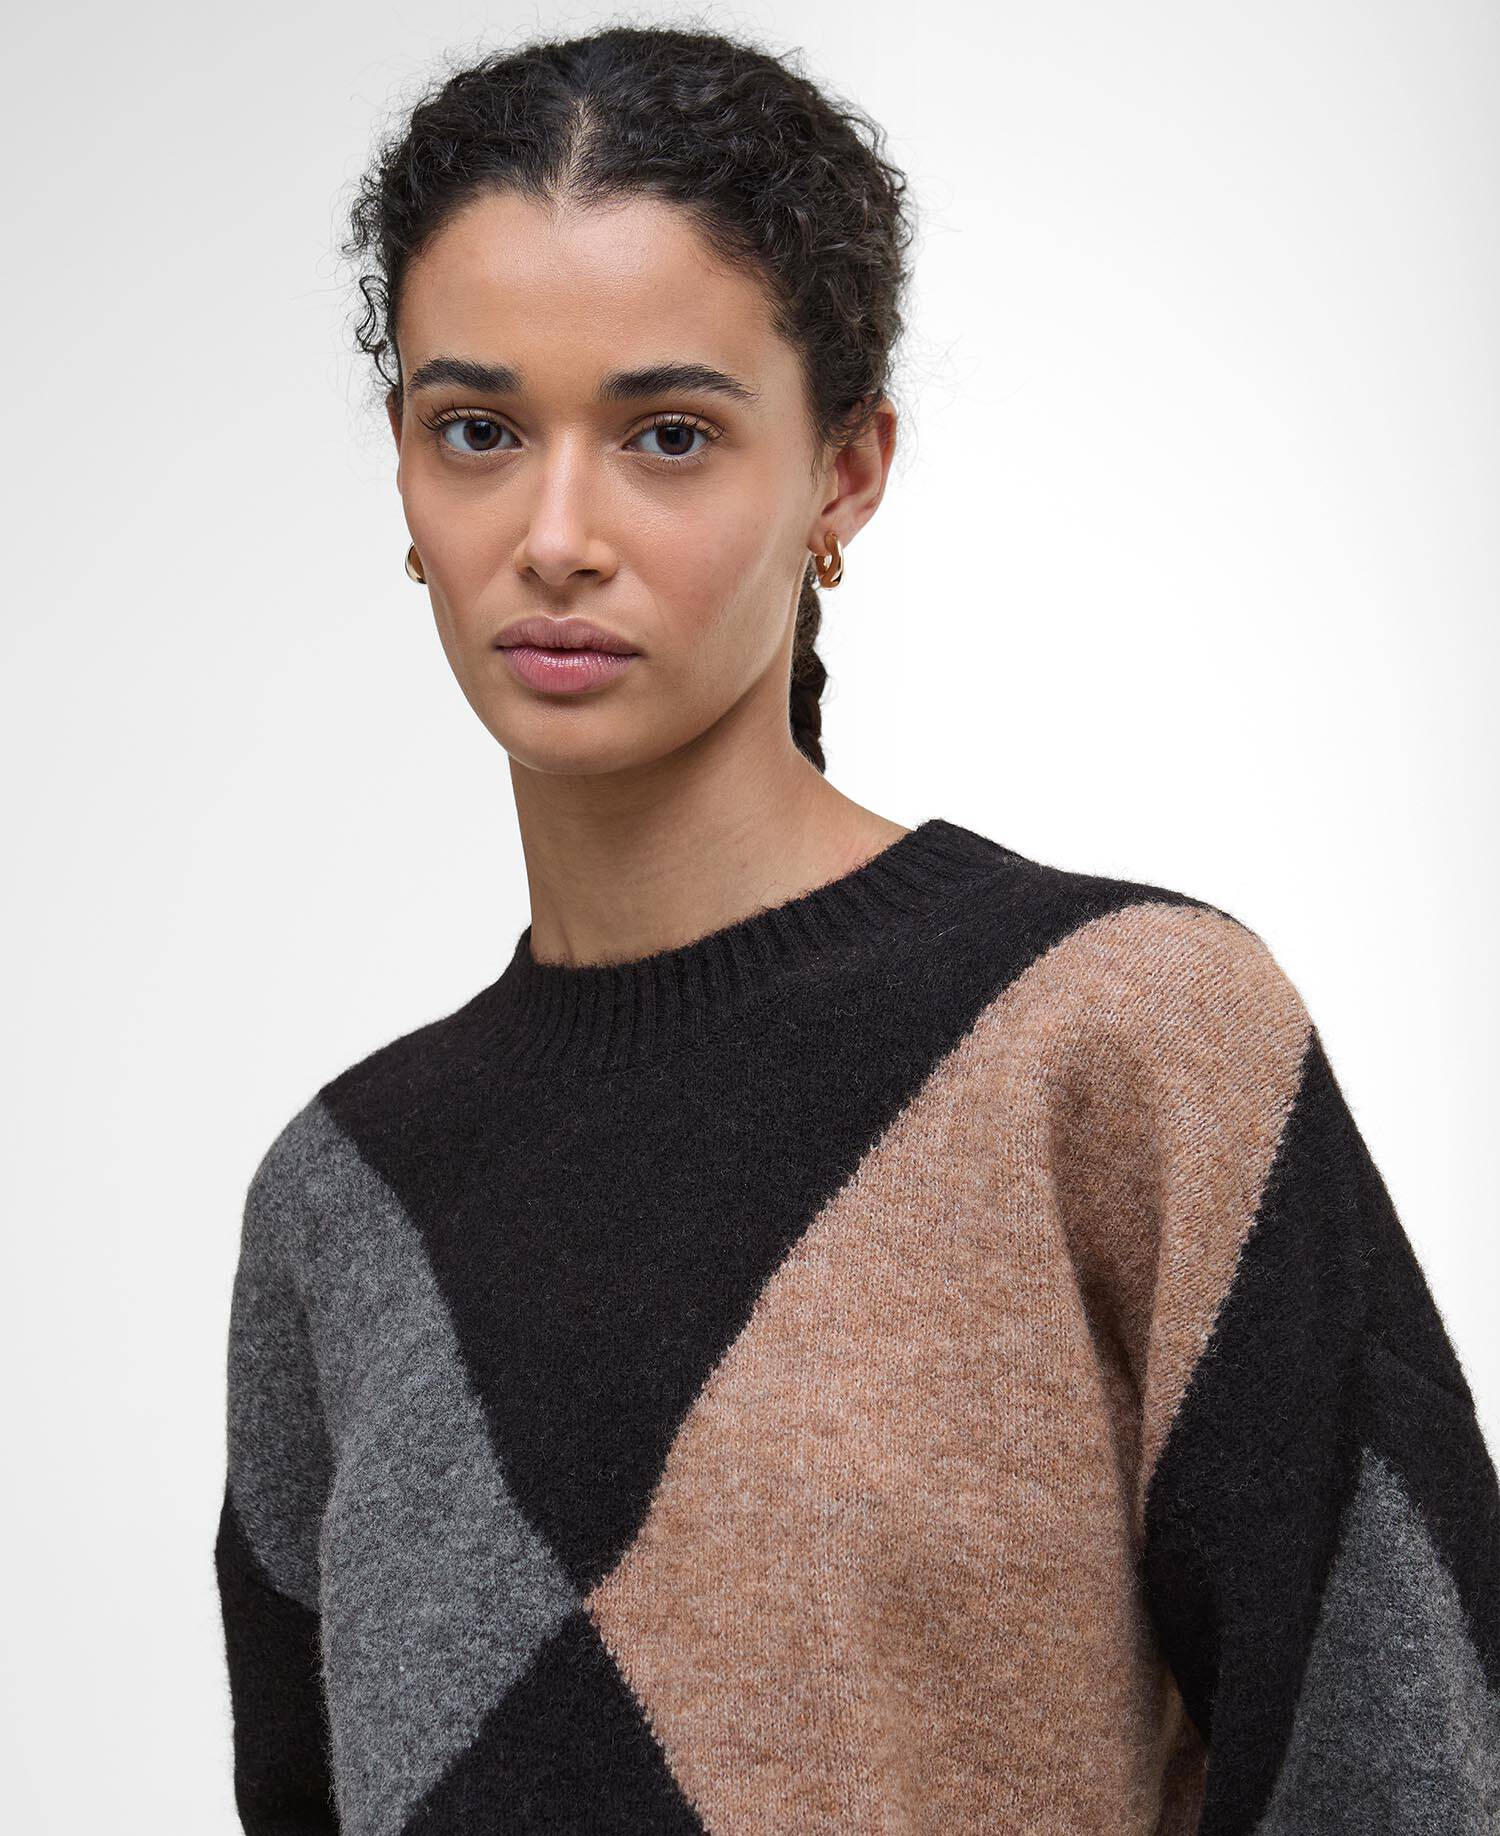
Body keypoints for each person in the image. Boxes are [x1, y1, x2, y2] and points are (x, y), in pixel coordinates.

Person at [213, 23, 1500, 1835]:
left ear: (845, 471)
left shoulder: (1123, 1040)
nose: (556, 534)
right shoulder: (342, 1198)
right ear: (408, 481)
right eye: (477, 431)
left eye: (669, 435)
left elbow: (1408, 1768)